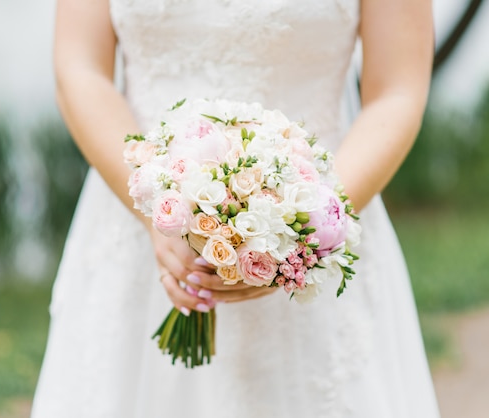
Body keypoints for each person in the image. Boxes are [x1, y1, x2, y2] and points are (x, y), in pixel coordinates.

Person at [31, 0, 440, 417]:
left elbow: (397, 91)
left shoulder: (306, 228)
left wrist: (301, 235)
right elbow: (79, 69)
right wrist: (158, 209)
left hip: (317, 210)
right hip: (135, 223)